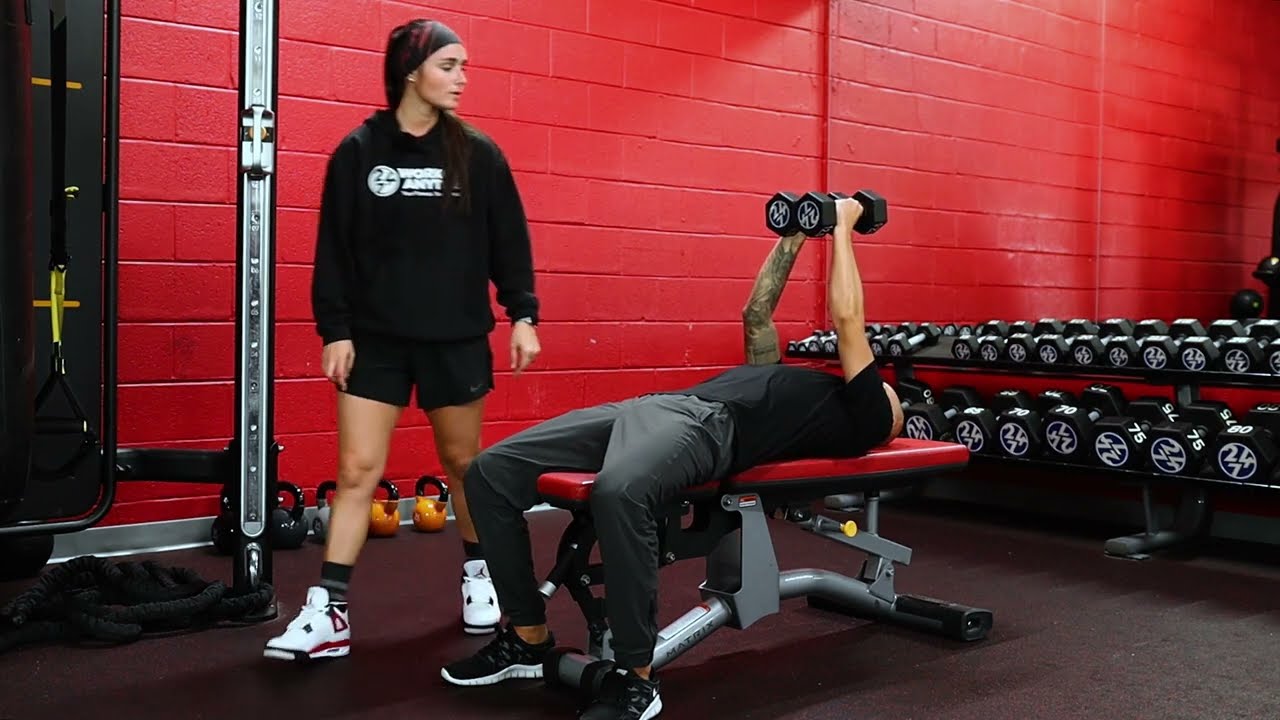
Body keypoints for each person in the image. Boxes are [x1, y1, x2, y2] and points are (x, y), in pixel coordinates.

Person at [439, 197, 904, 719]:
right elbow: (756, 314)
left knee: (622, 492)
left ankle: (636, 679)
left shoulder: (866, 415)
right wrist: (796, 233)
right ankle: (527, 637)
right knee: (490, 472)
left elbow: (848, 318)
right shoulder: (808, 386)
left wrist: (841, 224)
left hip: (711, 428)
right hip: (661, 407)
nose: (888, 388)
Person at [264, 18, 542, 661]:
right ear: (410, 72)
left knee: (466, 468)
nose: (462, 78)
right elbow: (332, 250)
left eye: (464, 66)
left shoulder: (479, 154)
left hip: (455, 339)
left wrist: (523, 313)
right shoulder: (359, 152)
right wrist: (334, 329)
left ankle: (478, 575)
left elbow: (510, 243)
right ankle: (329, 612)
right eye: (450, 66)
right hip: (376, 341)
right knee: (357, 470)